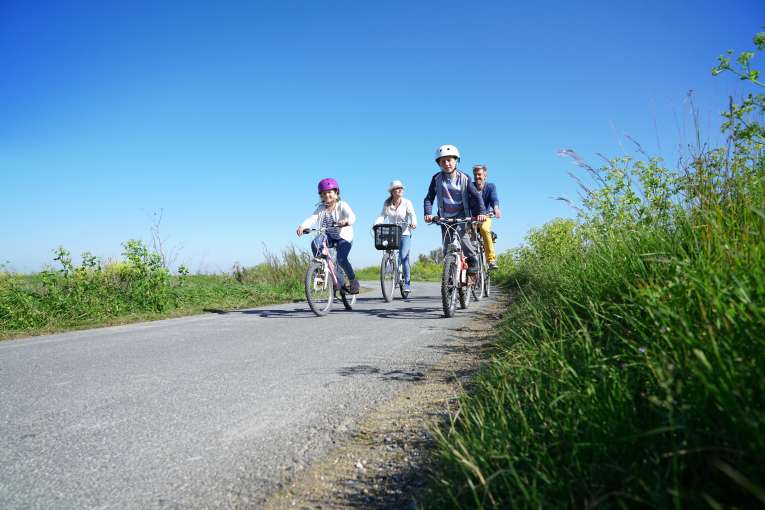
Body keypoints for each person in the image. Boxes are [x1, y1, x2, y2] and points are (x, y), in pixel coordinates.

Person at [424, 144, 486, 273]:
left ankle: (472, 258)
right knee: (447, 249)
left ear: (456, 160)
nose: (447, 163)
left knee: (463, 238)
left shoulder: (465, 178)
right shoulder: (436, 179)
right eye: (443, 161)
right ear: (439, 163)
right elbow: (429, 198)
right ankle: (450, 279)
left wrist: (481, 212)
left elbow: (476, 196)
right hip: (444, 217)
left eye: (449, 160)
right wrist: (428, 213)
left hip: (462, 215)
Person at [296, 177, 360, 294]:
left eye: (330, 192)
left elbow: (352, 216)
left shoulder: (342, 205)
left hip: (343, 238)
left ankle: (353, 280)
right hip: (328, 236)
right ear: (321, 196)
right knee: (315, 243)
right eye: (324, 193)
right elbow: (312, 218)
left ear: (336, 193)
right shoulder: (321, 208)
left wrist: (346, 221)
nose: (327, 195)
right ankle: (321, 270)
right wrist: (302, 226)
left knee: (341, 259)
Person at [374, 180, 418, 293]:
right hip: (392, 232)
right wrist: (376, 223)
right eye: (397, 188)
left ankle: (407, 283)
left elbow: (412, 214)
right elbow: (382, 215)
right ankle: (390, 269)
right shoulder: (387, 203)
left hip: (404, 233)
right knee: (388, 251)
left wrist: (413, 222)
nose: (400, 190)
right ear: (392, 191)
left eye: (401, 188)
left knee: (404, 257)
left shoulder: (407, 202)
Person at [472, 164, 501, 269]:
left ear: (485, 176)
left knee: (484, 229)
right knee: (465, 237)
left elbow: (494, 199)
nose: (477, 177)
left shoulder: (490, 187)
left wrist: (496, 208)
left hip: (486, 216)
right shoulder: (470, 187)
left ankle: (491, 260)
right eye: (475, 174)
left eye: (479, 174)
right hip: (471, 218)